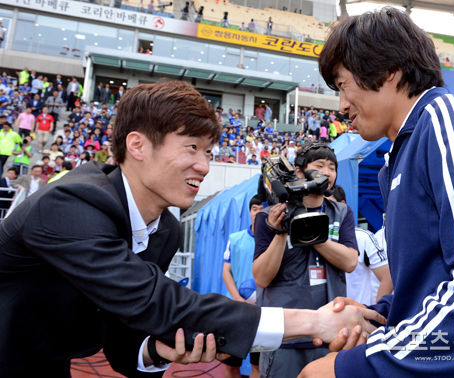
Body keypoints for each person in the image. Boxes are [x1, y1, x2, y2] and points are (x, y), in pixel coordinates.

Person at [0, 81, 380, 377]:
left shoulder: (164, 228)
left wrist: (155, 350)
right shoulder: (71, 203)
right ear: (137, 145)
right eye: (191, 147)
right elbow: (157, 302)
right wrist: (313, 322)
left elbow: (123, 326)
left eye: (209, 152)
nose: (204, 166)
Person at [300, 8, 454, 378]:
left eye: (343, 84)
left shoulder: (448, 120)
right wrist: (378, 317)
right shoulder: (398, 158)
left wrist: (364, 364)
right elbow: (435, 283)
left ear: (386, 71)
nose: (342, 105)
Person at [253, 143, 360, 378]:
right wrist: (282, 231)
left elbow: (350, 262)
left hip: (330, 331)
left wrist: (310, 232)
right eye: (319, 165)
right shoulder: (269, 216)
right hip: (283, 335)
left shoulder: (341, 213)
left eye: (333, 167)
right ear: (299, 172)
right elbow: (261, 277)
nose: (328, 172)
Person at [222, 195, 264, 378]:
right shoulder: (235, 239)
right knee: (231, 365)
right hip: (236, 312)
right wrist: (238, 299)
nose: (258, 213)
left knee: (258, 366)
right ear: (249, 212)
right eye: (255, 209)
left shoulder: (277, 242)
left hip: (264, 314)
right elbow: (226, 272)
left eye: (262, 209)